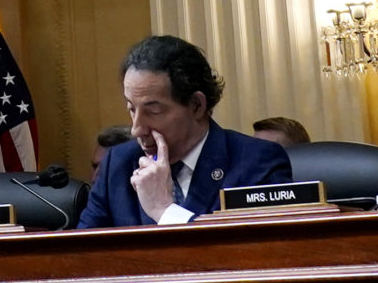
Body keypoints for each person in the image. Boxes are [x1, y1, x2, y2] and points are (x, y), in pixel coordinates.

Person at [76, 36, 290, 227]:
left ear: (197, 105)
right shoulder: (119, 164)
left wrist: (164, 211)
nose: (137, 129)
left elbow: (259, 257)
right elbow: (81, 258)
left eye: (154, 111)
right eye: (132, 109)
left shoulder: (258, 162)